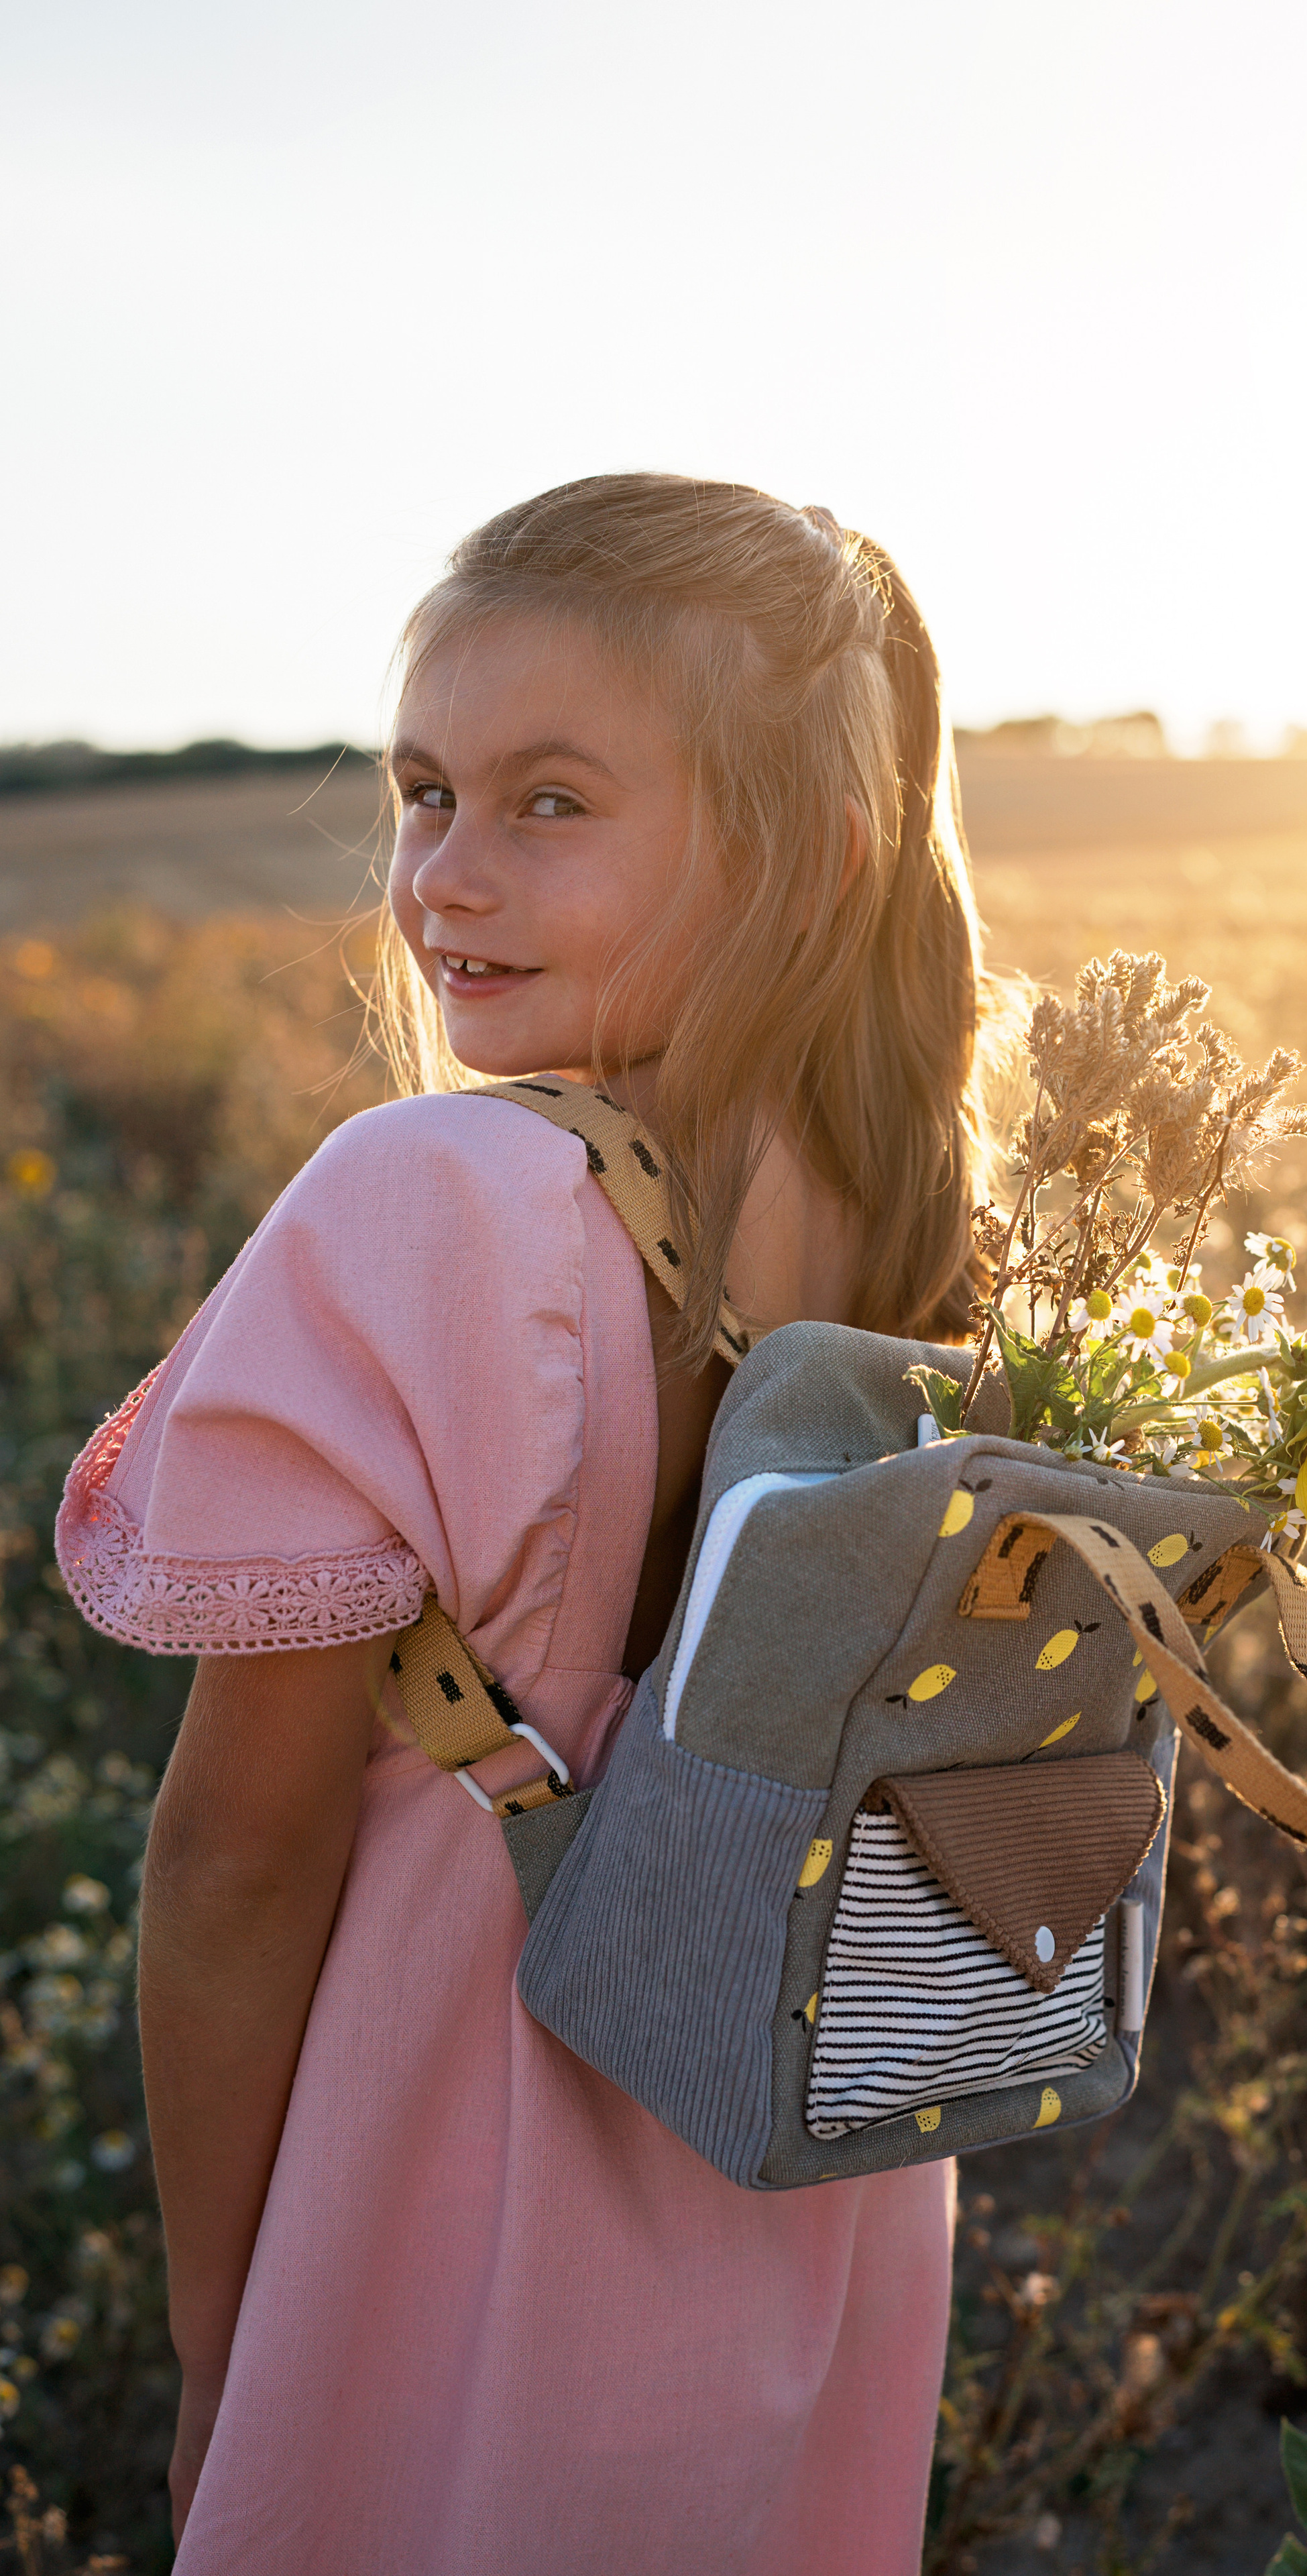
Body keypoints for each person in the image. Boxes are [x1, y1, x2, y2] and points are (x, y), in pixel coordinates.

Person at [55, 476, 995, 2575]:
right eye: (421, 791)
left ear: (814, 853)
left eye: (553, 802)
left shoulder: (437, 1203)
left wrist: (225, 2346)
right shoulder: (927, 1225)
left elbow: (236, 1853)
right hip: (802, 2192)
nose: (444, 879)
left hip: (449, 2216)